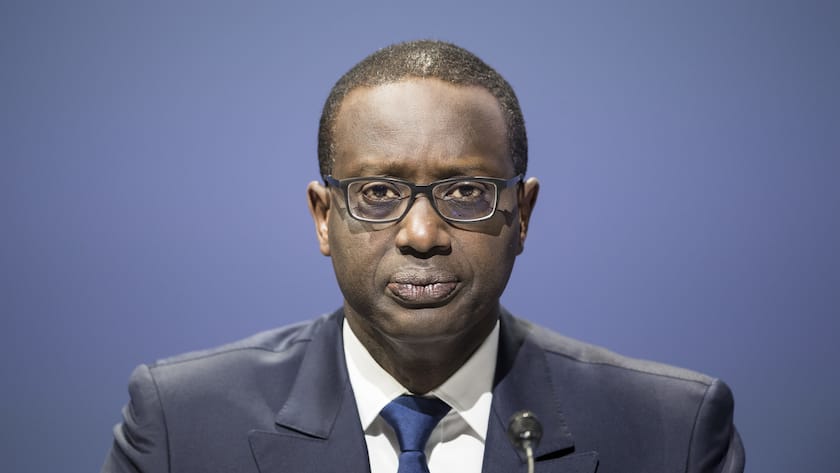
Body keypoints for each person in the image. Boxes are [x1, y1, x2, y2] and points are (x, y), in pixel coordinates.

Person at [102, 40, 744, 473]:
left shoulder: (671, 433)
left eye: (465, 191)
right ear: (324, 217)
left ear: (522, 214)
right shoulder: (181, 425)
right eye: (378, 192)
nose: (421, 233)